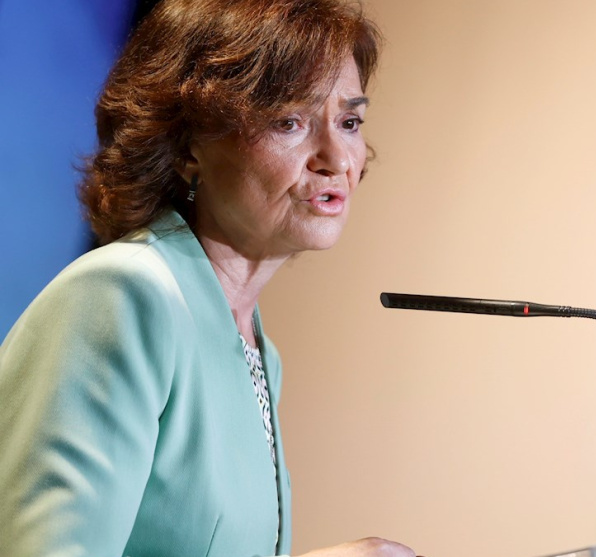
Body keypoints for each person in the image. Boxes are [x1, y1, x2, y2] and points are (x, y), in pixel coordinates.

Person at [0, 0, 421, 556]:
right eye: (289, 121)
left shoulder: (258, 350)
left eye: (349, 122)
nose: (336, 158)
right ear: (187, 148)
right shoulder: (123, 296)